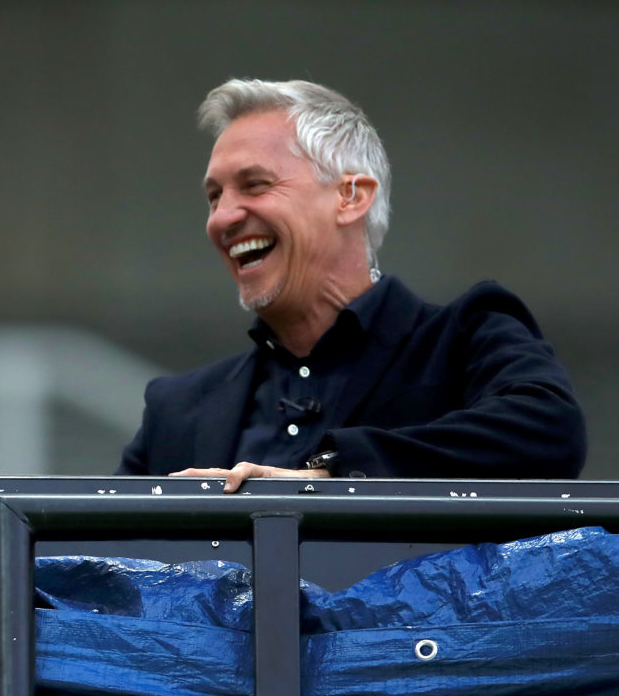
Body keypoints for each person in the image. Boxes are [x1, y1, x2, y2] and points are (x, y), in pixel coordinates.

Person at [117, 79, 584, 490]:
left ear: (350, 197)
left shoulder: (465, 339)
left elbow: (549, 431)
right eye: (214, 196)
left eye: (255, 185)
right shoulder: (176, 410)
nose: (222, 217)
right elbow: (95, 559)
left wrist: (333, 472)